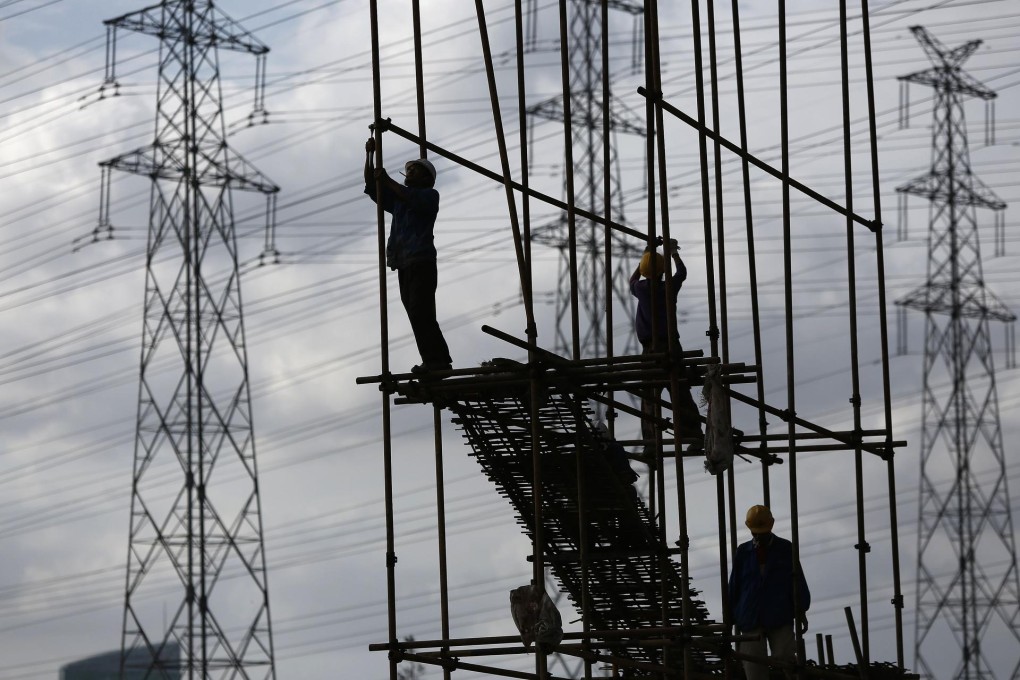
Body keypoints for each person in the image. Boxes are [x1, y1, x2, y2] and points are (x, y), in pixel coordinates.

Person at [364, 136, 452, 374]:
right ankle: (434, 360)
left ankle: (437, 360)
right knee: (415, 312)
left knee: (420, 310)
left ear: (427, 179)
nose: (410, 172)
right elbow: (373, 188)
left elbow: (404, 193)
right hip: (404, 264)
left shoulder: (428, 197)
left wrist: (388, 180)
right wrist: (370, 156)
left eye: (414, 170)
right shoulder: (399, 201)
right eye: (409, 170)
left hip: (421, 261)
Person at [629, 241, 704, 453]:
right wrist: (672, 254)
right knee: (680, 392)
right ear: (663, 273)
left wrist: (646, 253)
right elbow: (682, 273)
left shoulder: (641, 288)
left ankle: (651, 444)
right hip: (671, 346)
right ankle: (694, 435)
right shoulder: (669, 287)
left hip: (650, 349)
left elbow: (633, 280)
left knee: (650, 396)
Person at [728, 505, 810, 680]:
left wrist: (801, 609)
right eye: (755, 532)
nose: (758, 536)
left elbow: (797, 580)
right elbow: (734, 584)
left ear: (771, 526)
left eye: (761, 532)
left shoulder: (785, 549)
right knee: (753, 663)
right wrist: (730, 616)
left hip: (779, 611)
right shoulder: (743, 552)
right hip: (750, 614)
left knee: (786, 656)